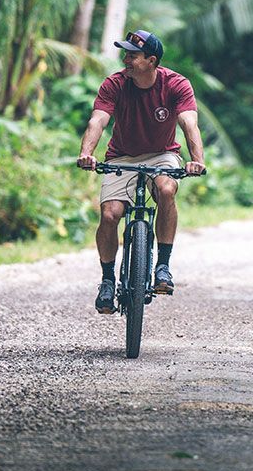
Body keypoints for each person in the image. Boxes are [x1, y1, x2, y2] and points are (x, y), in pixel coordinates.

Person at [77, 30, 206, 313]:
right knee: (110, 215)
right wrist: (86, 153)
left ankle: (162, 266)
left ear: (151, 60)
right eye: (126, 54)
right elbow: (97, 121)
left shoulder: (176, 84)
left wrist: (196, 159)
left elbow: (188, 123)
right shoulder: (115, 83)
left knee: (167, 189)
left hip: (163, 154)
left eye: (133, 56)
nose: (126, 60)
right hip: (121, 156)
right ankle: (108, 280)